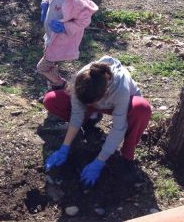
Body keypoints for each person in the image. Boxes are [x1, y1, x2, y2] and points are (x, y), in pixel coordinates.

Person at [43, 56, 152, 186]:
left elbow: (118, 128)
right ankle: (90, 120)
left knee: (142, 109)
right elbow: (77, 114)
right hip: (93, 101)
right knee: (51, 99)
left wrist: (99, 162)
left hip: (122, 106)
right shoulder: (81, 80)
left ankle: (127, 155)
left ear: (104, 94)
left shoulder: (120, 88)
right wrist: (64, 147)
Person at [37, 0, 98, 93]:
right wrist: (46, 2)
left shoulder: (74, 1)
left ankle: (61, 84)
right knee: (52, 67)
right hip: (50, 38)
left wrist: (65, 27)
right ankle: (54, 92)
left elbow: (84, 21)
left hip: (60, 41)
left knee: (42, 68)